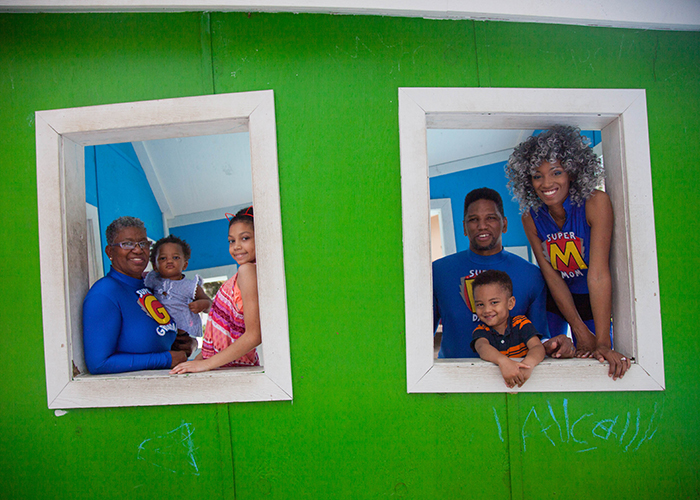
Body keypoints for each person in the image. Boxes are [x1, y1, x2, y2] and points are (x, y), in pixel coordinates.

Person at [505, 125, 630, 379]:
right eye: (537, 176)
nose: (546, 183)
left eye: (556, 172)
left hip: (592, 296)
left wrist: (602, 341)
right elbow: (551, 278)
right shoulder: (531, 216)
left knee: (605, 360)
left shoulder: (595, 202)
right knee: (550, 362)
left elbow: (597, 274)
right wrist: (578, 329)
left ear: (572, 172)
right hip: (555, 302)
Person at [432, 187, 573, 359]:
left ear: (504, 224)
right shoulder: (438, 272)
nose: (482, 226)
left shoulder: (532, 275)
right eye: (473, 219)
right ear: (464, 227)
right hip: (450, 379)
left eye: (491, 218)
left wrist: (555, 344)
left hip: (513, 379)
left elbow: (540, 336)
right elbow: (419, 337)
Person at [82, 216, 187, 374]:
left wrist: (186, 344)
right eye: (127, 244)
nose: (138, 250)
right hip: (133, 394)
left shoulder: (150, 287)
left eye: (143, 243)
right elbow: (99, 364)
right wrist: (166, 359)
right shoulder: (104, 293)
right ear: (110, 251)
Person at [171, 206, 261, 373]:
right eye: (232, 241)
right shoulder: (244, 274)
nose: (237, 246)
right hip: (224, 367)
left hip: (234, 371)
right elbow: (216, 339)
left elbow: (254, 335)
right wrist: (197, 362)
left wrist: (204, 364)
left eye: (245, 238)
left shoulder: (248, 271)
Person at [471, 270, 545, 388]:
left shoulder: (521, 323)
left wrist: (528, 364)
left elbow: (537, 347)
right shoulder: (481, 331)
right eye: (480, 304)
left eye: (494, 302)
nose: (487, 310)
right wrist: (503, 362)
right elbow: (482, 348)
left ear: (510, 303)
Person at [145, 235, 212, 353]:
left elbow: (211, 305)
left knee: (179, 355)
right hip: (160, 330)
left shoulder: (190, 286)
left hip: (181, 334)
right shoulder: (152, 281)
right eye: (163, 258)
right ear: (155, 266)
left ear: (185, 265)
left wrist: (203, 305)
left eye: (175, 257)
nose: (169, 261)